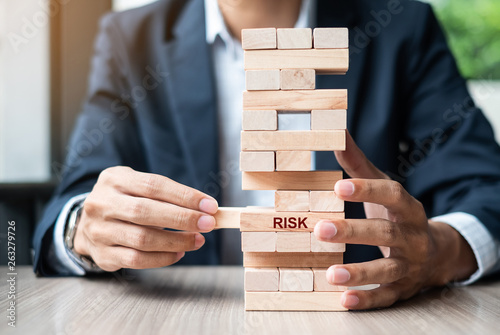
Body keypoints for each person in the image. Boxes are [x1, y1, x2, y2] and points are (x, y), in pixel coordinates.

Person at [33, 0, 500, 310]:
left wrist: (439, 251)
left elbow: (485, 189)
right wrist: (85, 231)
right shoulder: (129, 38)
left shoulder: (403, 25)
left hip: (355, 313)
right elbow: (76, 199)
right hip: (183, 313)